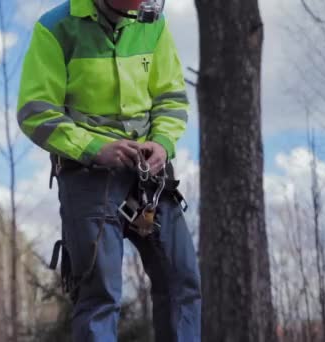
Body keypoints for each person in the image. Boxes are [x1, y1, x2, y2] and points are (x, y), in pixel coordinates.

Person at [17, 0, 201, 340]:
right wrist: (94, 149)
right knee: (99, 294)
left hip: (150, 180)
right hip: (88, 180)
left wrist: (162, 142)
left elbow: (170, 98)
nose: (141, 7)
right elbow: (36, 112)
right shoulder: (56, 28)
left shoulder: (153, 25)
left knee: (182, 282)